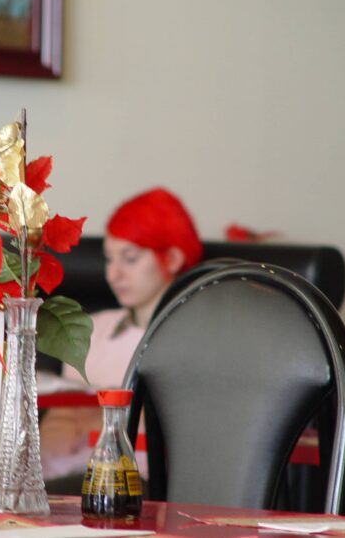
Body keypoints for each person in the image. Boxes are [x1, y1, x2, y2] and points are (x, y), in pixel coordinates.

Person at [40, 187, 202, 488]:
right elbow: (57, 432)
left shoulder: (197, 340)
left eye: (129, 259)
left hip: (136, 484)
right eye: (109, 259)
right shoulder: (88, 329)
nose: (113, 275)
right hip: (65, 483)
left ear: (174, 258)